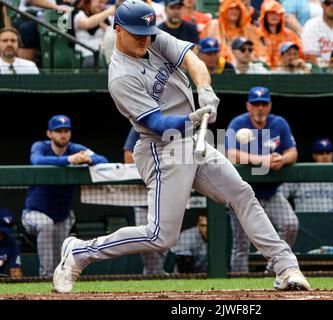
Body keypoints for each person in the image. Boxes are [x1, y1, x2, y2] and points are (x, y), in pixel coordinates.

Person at [53, 0, 310, 293]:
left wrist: (205, 88)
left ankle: (285, 265)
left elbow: (194, 61)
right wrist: (193, 117)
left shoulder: (152, 36)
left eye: (148, 33)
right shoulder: (121, 76)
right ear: (118, 29)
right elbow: (157, 123)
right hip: (161, 148)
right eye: (137, 33)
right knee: (160, 236)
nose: (144, 39)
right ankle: (80, 251)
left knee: (242, 194)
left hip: (191, 139)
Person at [22, 115, 108, 277]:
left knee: (59, 258)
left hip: (61, 217)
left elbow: (103, 160)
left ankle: (57, 283)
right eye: (58, 131)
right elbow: (37, 160)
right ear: (49, 133)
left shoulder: (76, 148)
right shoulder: (40, 145)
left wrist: (88, 159)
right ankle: (45, 277)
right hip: (34, 214)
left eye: (66, 130)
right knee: (46, 225)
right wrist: (69, 159)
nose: (63, 134)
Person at [225, 86, 299, 273]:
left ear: (269, 105)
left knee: (290, 224)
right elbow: (230, 153)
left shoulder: (279, 123)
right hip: (243, 195)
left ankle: (273, 271)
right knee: (241, 244)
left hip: (271, 192)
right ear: (248, 106)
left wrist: (282, 159)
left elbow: (292, 152)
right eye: (256, 104)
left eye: (264, 104)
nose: (260, 108)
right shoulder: (238, 123)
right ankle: (239, 283)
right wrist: (262, 160)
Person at [123, 127, 167, 274]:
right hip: (143, 194)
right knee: (147, 237)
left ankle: (155, 271)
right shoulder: (140, 124)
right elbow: (128, 157)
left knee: (166, 238)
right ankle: (154, 272)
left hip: (167, 192)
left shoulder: (174, 126)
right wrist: (150, 170)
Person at [281, 138, 333, 212]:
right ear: (314, 156)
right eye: (320, 153)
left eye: (328, 152)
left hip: (331, 223)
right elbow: (280, 197)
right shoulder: (300, 175)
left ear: (332, 155)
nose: (325, 156)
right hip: (304, 224)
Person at [201, 0, 266, 64]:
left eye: (237, 9)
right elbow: (206, 48)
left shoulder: (248, 28)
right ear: (225, 10)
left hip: (245, 65)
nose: (234, 12)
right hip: (219, 65)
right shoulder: (214, 25)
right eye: (230, 9)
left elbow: (259, 50)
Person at [258, 0, 303, 69]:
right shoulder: (256, 34)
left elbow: (300, 54)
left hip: (286, 72)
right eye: (271, 13)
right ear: (264, 15)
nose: (274, 16)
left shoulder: (290, 35)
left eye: (277, 13)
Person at [71, 0, 116, 67]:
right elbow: (87, 23)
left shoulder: (106, 17)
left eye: (104, 3)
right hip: (87, 55)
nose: (102, 6)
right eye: (100, 2)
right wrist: (108, 11)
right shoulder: (78, 13)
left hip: (105, 54)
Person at [0, 208, 23, 279]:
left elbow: (16, 271)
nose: (2, 236)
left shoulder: (11, 243)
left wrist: (16, 273)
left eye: (4, 233)